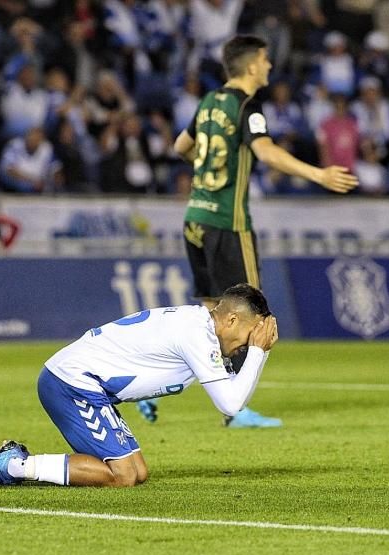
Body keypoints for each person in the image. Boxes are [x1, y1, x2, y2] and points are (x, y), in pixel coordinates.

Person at [138, 34, 357, 428]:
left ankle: (150, 385)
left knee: (209, 318)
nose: (270, 67)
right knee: (249, 314)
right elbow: (266, 151)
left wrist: (206, 171)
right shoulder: (246, 107)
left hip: (195, 218)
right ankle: (234, 410)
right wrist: (317, 173)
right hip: (228, 222)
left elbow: (180, 146)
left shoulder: (207, 103)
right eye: (266, 59)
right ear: (253, 64)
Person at [0, 283, 277, 488]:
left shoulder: (198, 327)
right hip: (72, 384)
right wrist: (259, 353)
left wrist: (257, 351)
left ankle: (17, 461)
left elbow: (233, 393)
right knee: (123, 475)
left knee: (137, 472)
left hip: (87, 387)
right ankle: (15, 465)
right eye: (250, 336)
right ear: (232, 320)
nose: (246, 346)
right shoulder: (199, 335)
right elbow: (231, 404)